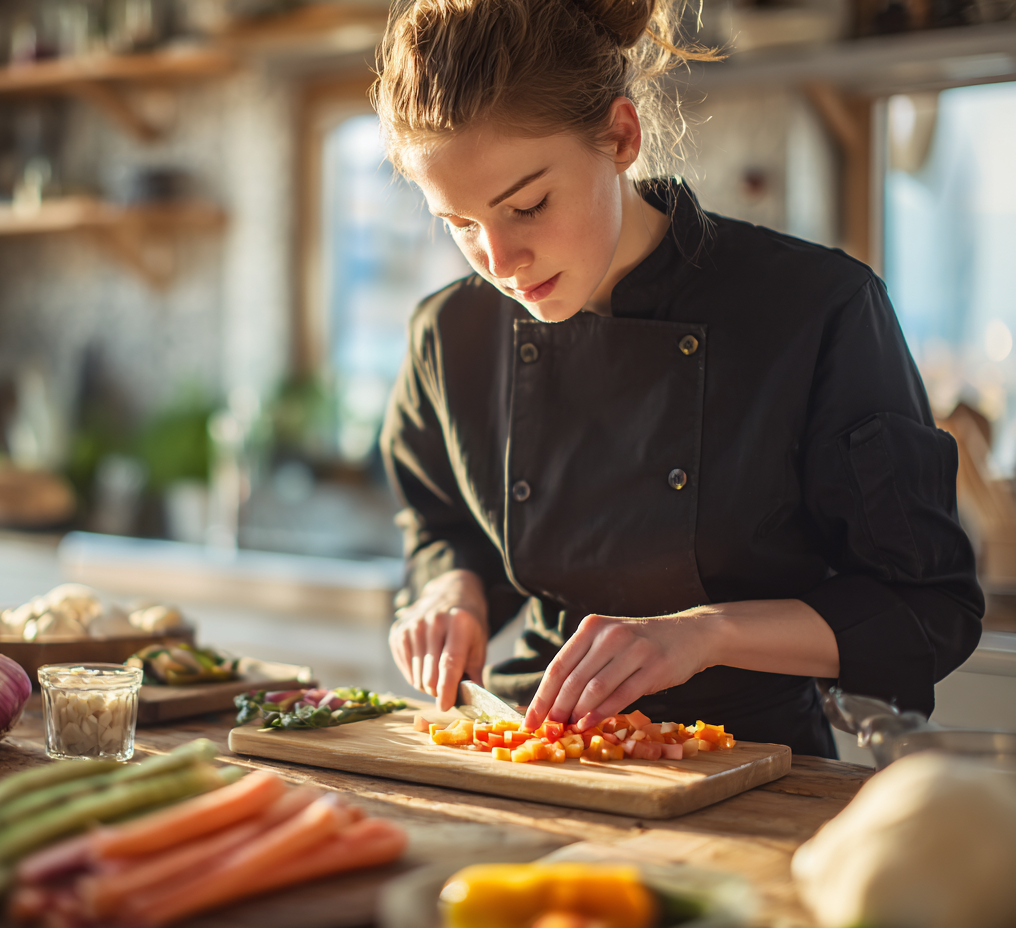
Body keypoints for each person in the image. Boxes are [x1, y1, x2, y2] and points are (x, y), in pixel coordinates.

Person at [375, 0, 983, 756]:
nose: (499, 261)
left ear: (622, 137)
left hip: (752, 763)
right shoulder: (449, 334)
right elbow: (442, 524)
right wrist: (450, 590)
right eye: (460, 224)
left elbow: (927, 607)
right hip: (529, 746)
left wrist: (705, 634)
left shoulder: (816, 309)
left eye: (527, 205)